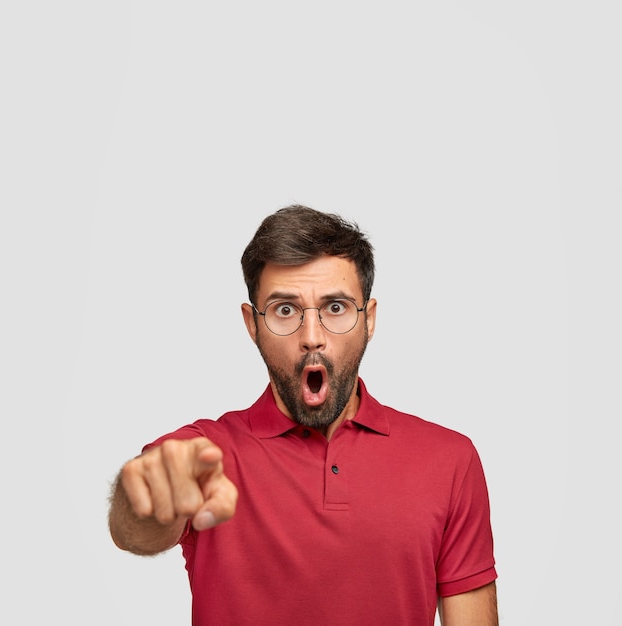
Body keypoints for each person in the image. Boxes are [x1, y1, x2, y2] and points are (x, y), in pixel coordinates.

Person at [108, 205, 498, 626]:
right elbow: (136, 527)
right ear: (252, 324)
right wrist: (148, 499)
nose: (312, 338)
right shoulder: (205, 452)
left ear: (368, 320)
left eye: (335, 308)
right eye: (285, 311)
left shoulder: (449, 460)